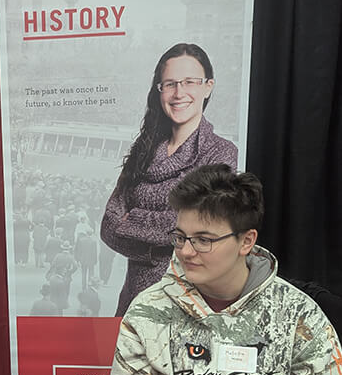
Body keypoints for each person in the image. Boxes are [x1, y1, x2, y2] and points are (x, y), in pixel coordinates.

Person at [104, 164, 342, 375]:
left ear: (246, 241)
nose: (185, 251)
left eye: (204, 239)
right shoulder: (149, 310)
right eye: (180, 237)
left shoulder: (297, 314)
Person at [100, 42, 240, 317]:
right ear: (159, 90)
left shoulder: (221, 152)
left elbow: (199, 229)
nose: (179, 93)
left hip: (187, 303)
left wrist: (134, 220)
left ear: (207, 87)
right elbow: (109, 226)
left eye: (190, 82)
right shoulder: (143, 149)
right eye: (170, 83)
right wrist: (159, 248)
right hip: (134, 300)